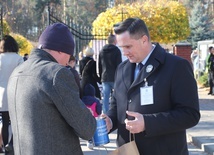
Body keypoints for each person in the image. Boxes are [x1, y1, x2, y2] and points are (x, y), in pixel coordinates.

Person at [103, 18, 200, 155]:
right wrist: (110, 121)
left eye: (128, 47)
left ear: (144, 40)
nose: (124, 52)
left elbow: (190, 115)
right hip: (128, 151)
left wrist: (147, 123)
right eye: (121, 47)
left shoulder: (176, 66)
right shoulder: (122, 69)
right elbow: (116, 106)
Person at [7, 23, 96, 155]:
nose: (68, 62)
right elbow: (87, 129)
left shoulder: (17, 72)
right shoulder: (57, 73)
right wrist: (85, 113)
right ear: (60, 50)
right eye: (69, 55)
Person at [0, 35, 24, 154]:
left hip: (1, 93)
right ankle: (12, 144)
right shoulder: (18, 58)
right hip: (15, 91)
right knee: (15, 121)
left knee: (5, 122)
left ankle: (5, 146)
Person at [98, 34, 122, 114]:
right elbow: (119, 65)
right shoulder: (117, 51)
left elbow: (99, 64)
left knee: (105, 97)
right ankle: (116, 112)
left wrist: (100, 75)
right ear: (115, 41)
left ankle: (105, 113)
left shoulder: (102, 51)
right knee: (116, 97)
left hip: (105, 77)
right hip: (115, 77)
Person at [81, 84, 102, 149]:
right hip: (94, 118)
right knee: (94, 130)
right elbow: (99, 110)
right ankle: (95, 140)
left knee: (87, 130)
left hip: (84, 118)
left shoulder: (82, 100)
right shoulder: (96, 101)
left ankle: (89, 141)